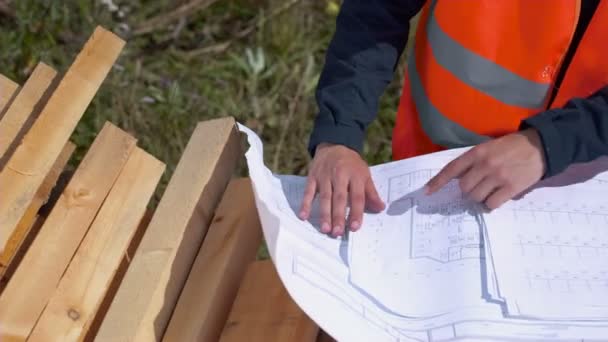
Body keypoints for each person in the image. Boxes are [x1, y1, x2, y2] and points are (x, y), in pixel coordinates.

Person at [298, 0, 608, 238]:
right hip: (436, 182)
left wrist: (547, 145)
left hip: (581, 201)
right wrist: (339, 135)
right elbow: (376, 12)